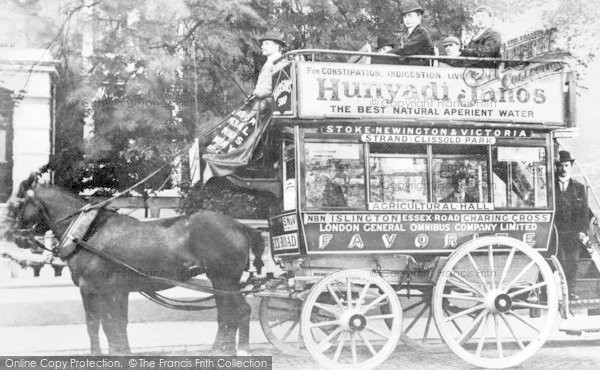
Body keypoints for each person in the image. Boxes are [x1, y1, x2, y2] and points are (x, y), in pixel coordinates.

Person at [554, 150, 588, 300]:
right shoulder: (550, 187)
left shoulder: (579, 188)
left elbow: (584, 212)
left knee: (573, 261)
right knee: (557, 261)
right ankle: (554, 292)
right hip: (555, 231)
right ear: (557, 167)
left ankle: (571, 291)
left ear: (571, 166)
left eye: (566, 165)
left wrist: (583, 231)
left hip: (573, 232)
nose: (564, 169)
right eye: (561, 166)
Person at [390, 0, 434, 66]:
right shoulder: (405, 34)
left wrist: (387, 53)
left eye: (410, 16)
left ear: (419, 17)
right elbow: (394, 45)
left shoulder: (421, 32)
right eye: (405, 17)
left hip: (422, 69)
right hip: (409, 68)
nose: (407, 19)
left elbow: (406, 49)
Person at [253, 30, 286, 99]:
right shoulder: (273, 61)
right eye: (262, 44)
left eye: (266, 43)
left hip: (270, 103)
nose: (262, 46)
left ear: (277, 46)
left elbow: (264, 91)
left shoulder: (277, 62)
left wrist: (256, 93)